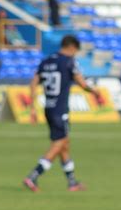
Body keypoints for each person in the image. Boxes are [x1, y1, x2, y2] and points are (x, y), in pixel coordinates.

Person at [23, 35, 100, 192]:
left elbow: (33, 83)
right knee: (58, 144)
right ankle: (33, 175)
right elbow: (82, 83)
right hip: (60, 110)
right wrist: (94, 91)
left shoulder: (46, 61)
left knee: (64, 144)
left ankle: (72, 182)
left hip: (48, 108)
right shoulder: (69, 61)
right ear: (72, 47)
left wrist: (32, 107)